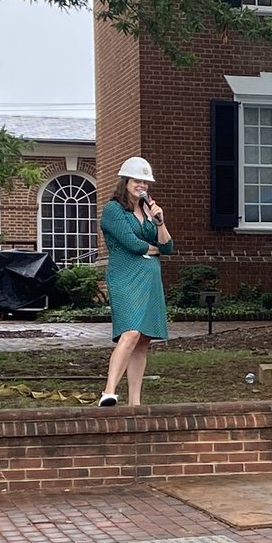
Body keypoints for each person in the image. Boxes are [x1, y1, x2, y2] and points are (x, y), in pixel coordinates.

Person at [98, 156, 174, 407]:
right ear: (125, 181)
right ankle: (109, 391)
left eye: (145, 181)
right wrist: (151, 248)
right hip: (125, 276)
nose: (141, 185)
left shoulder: (148, 211)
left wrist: (160, 222)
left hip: (150, 278)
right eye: (137, 180)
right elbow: (132, 244)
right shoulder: (113, 210)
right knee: (129, 332)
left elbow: (168, 246)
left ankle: (135, 402)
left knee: (143, 340)